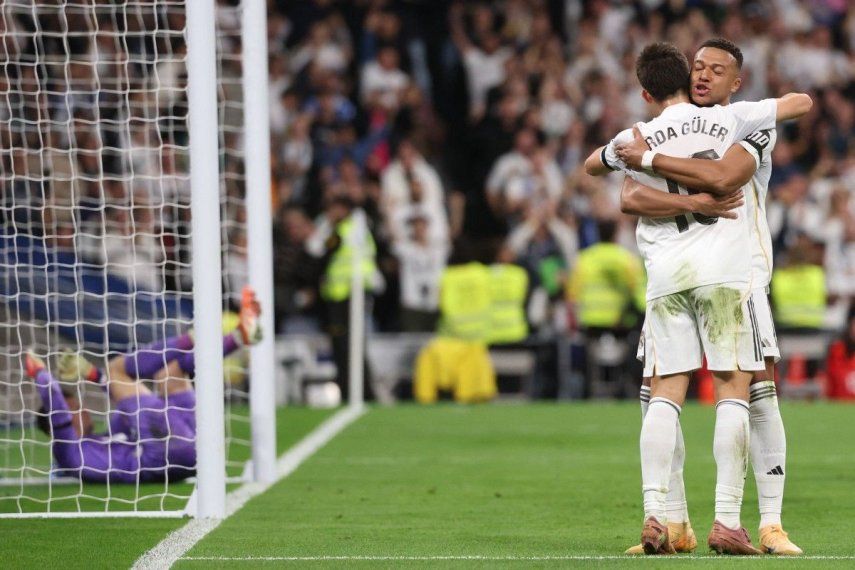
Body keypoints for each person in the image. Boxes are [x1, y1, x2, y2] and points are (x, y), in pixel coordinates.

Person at [586, 42, 811, 555]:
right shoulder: (722, 123)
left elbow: (717, 176)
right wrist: (690, 196)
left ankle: (765, 523)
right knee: (729, 388)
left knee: (719, 388)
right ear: (686, 75)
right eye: (700, 67)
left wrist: (640, 156)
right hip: (722, 273)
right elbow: (628, 193)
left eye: (716, 69)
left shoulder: (733, 122)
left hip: (710, 274)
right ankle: (688, 521)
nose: (705, 75)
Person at [24, 287, 262, 484]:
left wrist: (93, 375)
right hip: (159, 455)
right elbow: (57, 409)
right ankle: (194, 336)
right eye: (75, 410)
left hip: (188, 448)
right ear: (58, 425)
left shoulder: (106, 437)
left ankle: (239, 336)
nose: (84, 410)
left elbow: (125, 397)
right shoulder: (67, 451)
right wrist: (41, 375)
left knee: (170, 372)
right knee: (115, 369)